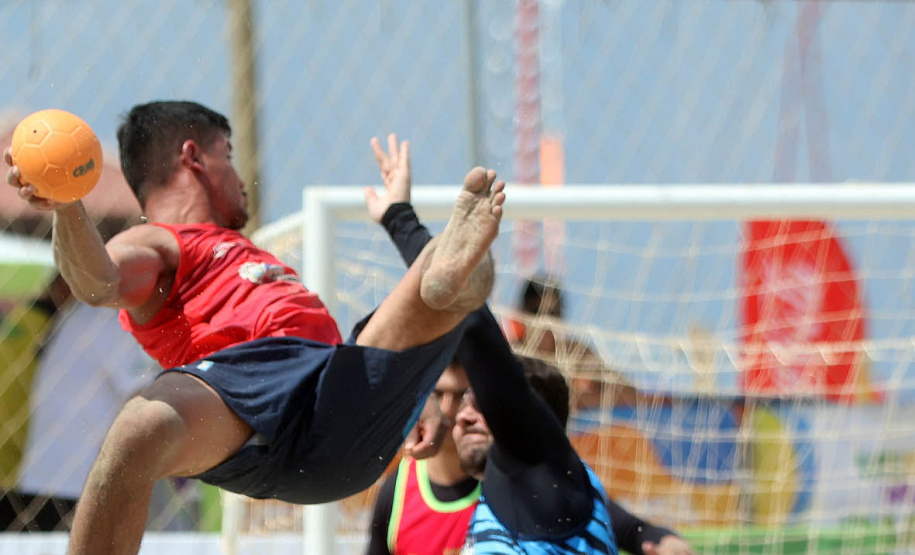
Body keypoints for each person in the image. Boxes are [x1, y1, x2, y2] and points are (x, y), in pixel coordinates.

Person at [4, 100, 505, 555]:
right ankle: (453, 278)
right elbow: (97, 282)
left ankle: (454, 278)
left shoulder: (253, 254)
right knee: (138, 426)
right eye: (229, 153)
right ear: (194, 157)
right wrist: (68, 205)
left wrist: (409, 398)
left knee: (415, 303)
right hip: (250, 415)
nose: (242, 176)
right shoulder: (161, 242)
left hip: (342, 413)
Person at [365, 134, 693, 554]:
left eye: (484, 406)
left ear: (527, 422)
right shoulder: (554, 492)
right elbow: (634, 530)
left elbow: (473, 325)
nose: (462, 416)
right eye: (465, 402)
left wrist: (403, 222)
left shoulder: (537, 469)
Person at [366, 366, 691, 555]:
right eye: (440, 395)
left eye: (469, 398)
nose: (455, 411)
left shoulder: (535, 486)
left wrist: (659, 539)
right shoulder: (398, 491)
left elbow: (625, 525)